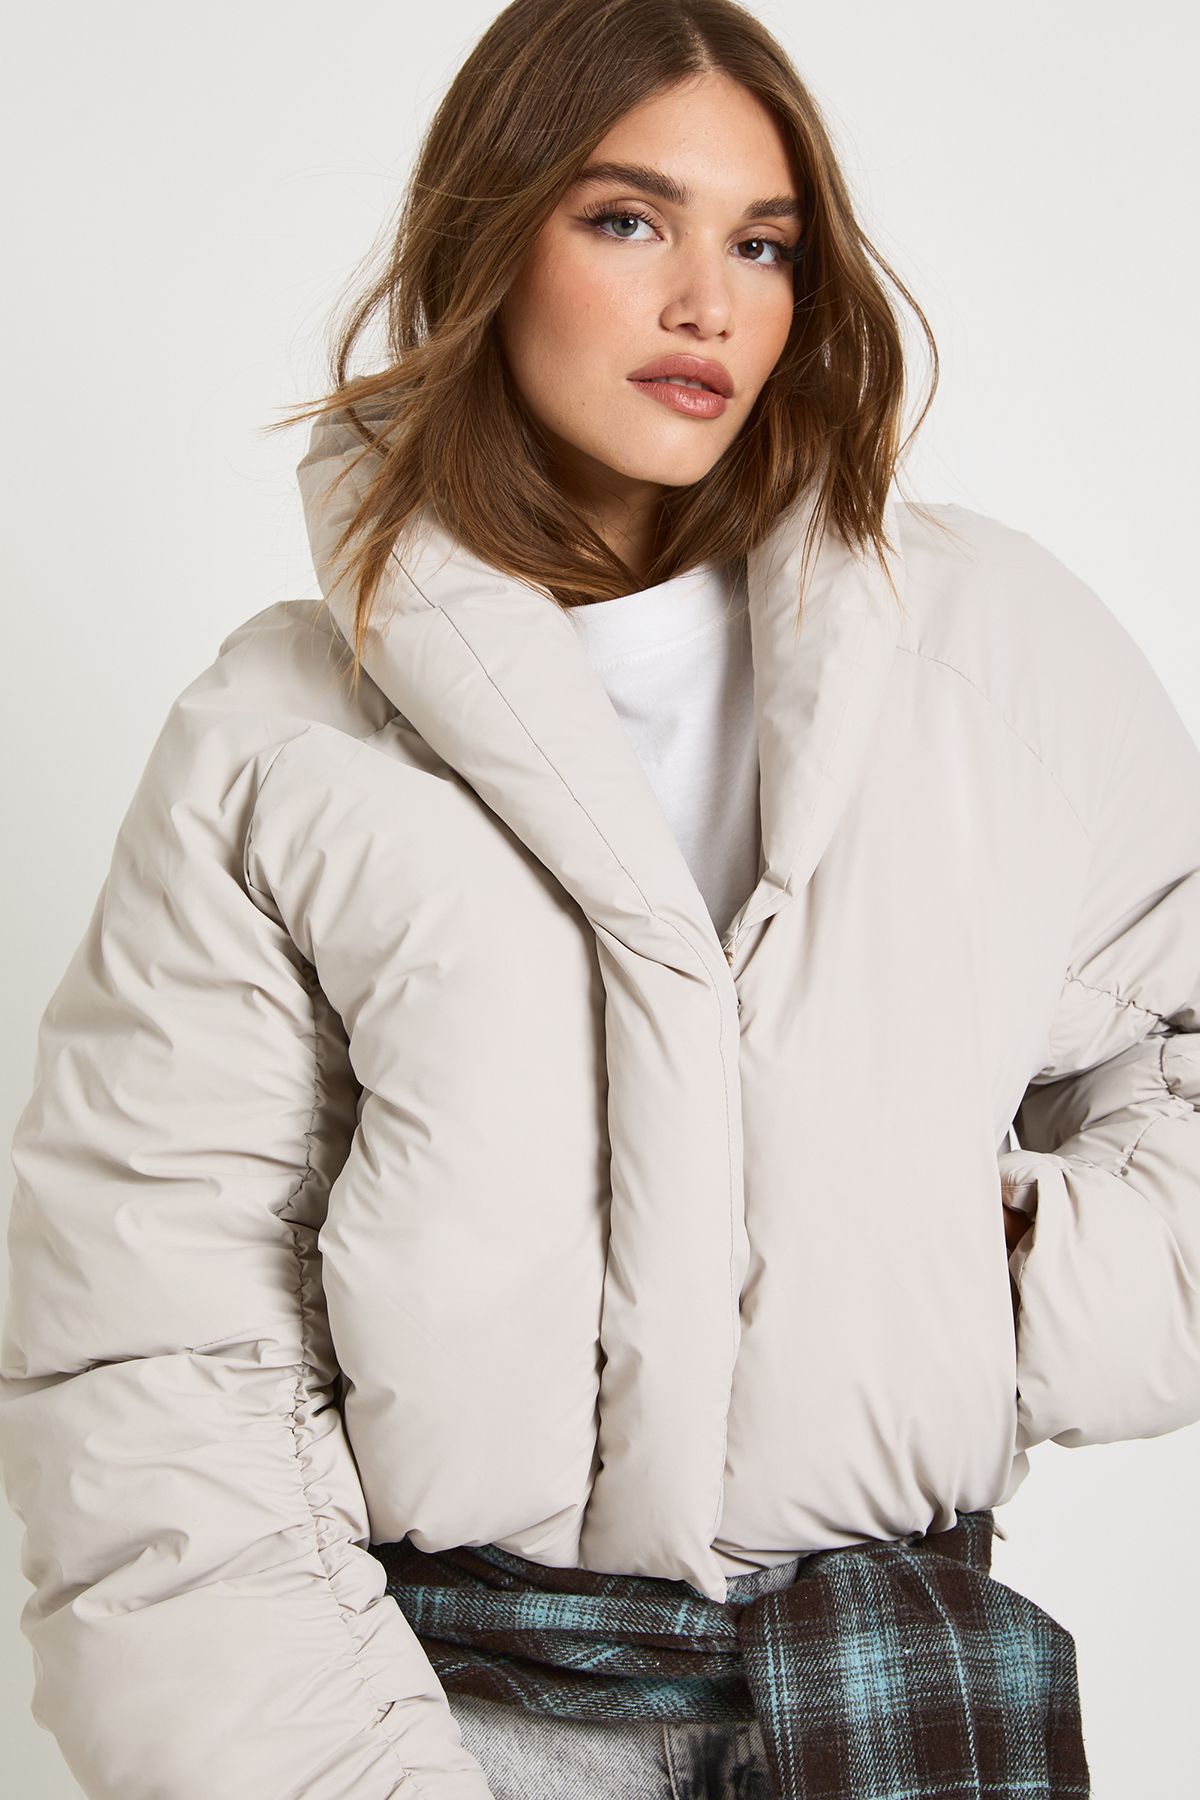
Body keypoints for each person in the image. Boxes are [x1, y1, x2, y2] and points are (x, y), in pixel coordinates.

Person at [2, 0, 1197, 1795]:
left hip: (902, 1706)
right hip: (453, 1729)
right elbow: (151, 1360)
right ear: (490, 241)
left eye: (764, 245)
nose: (707, 303)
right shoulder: (278, 740)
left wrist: (992, 1282)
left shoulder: (993, 655)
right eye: (628, 219)